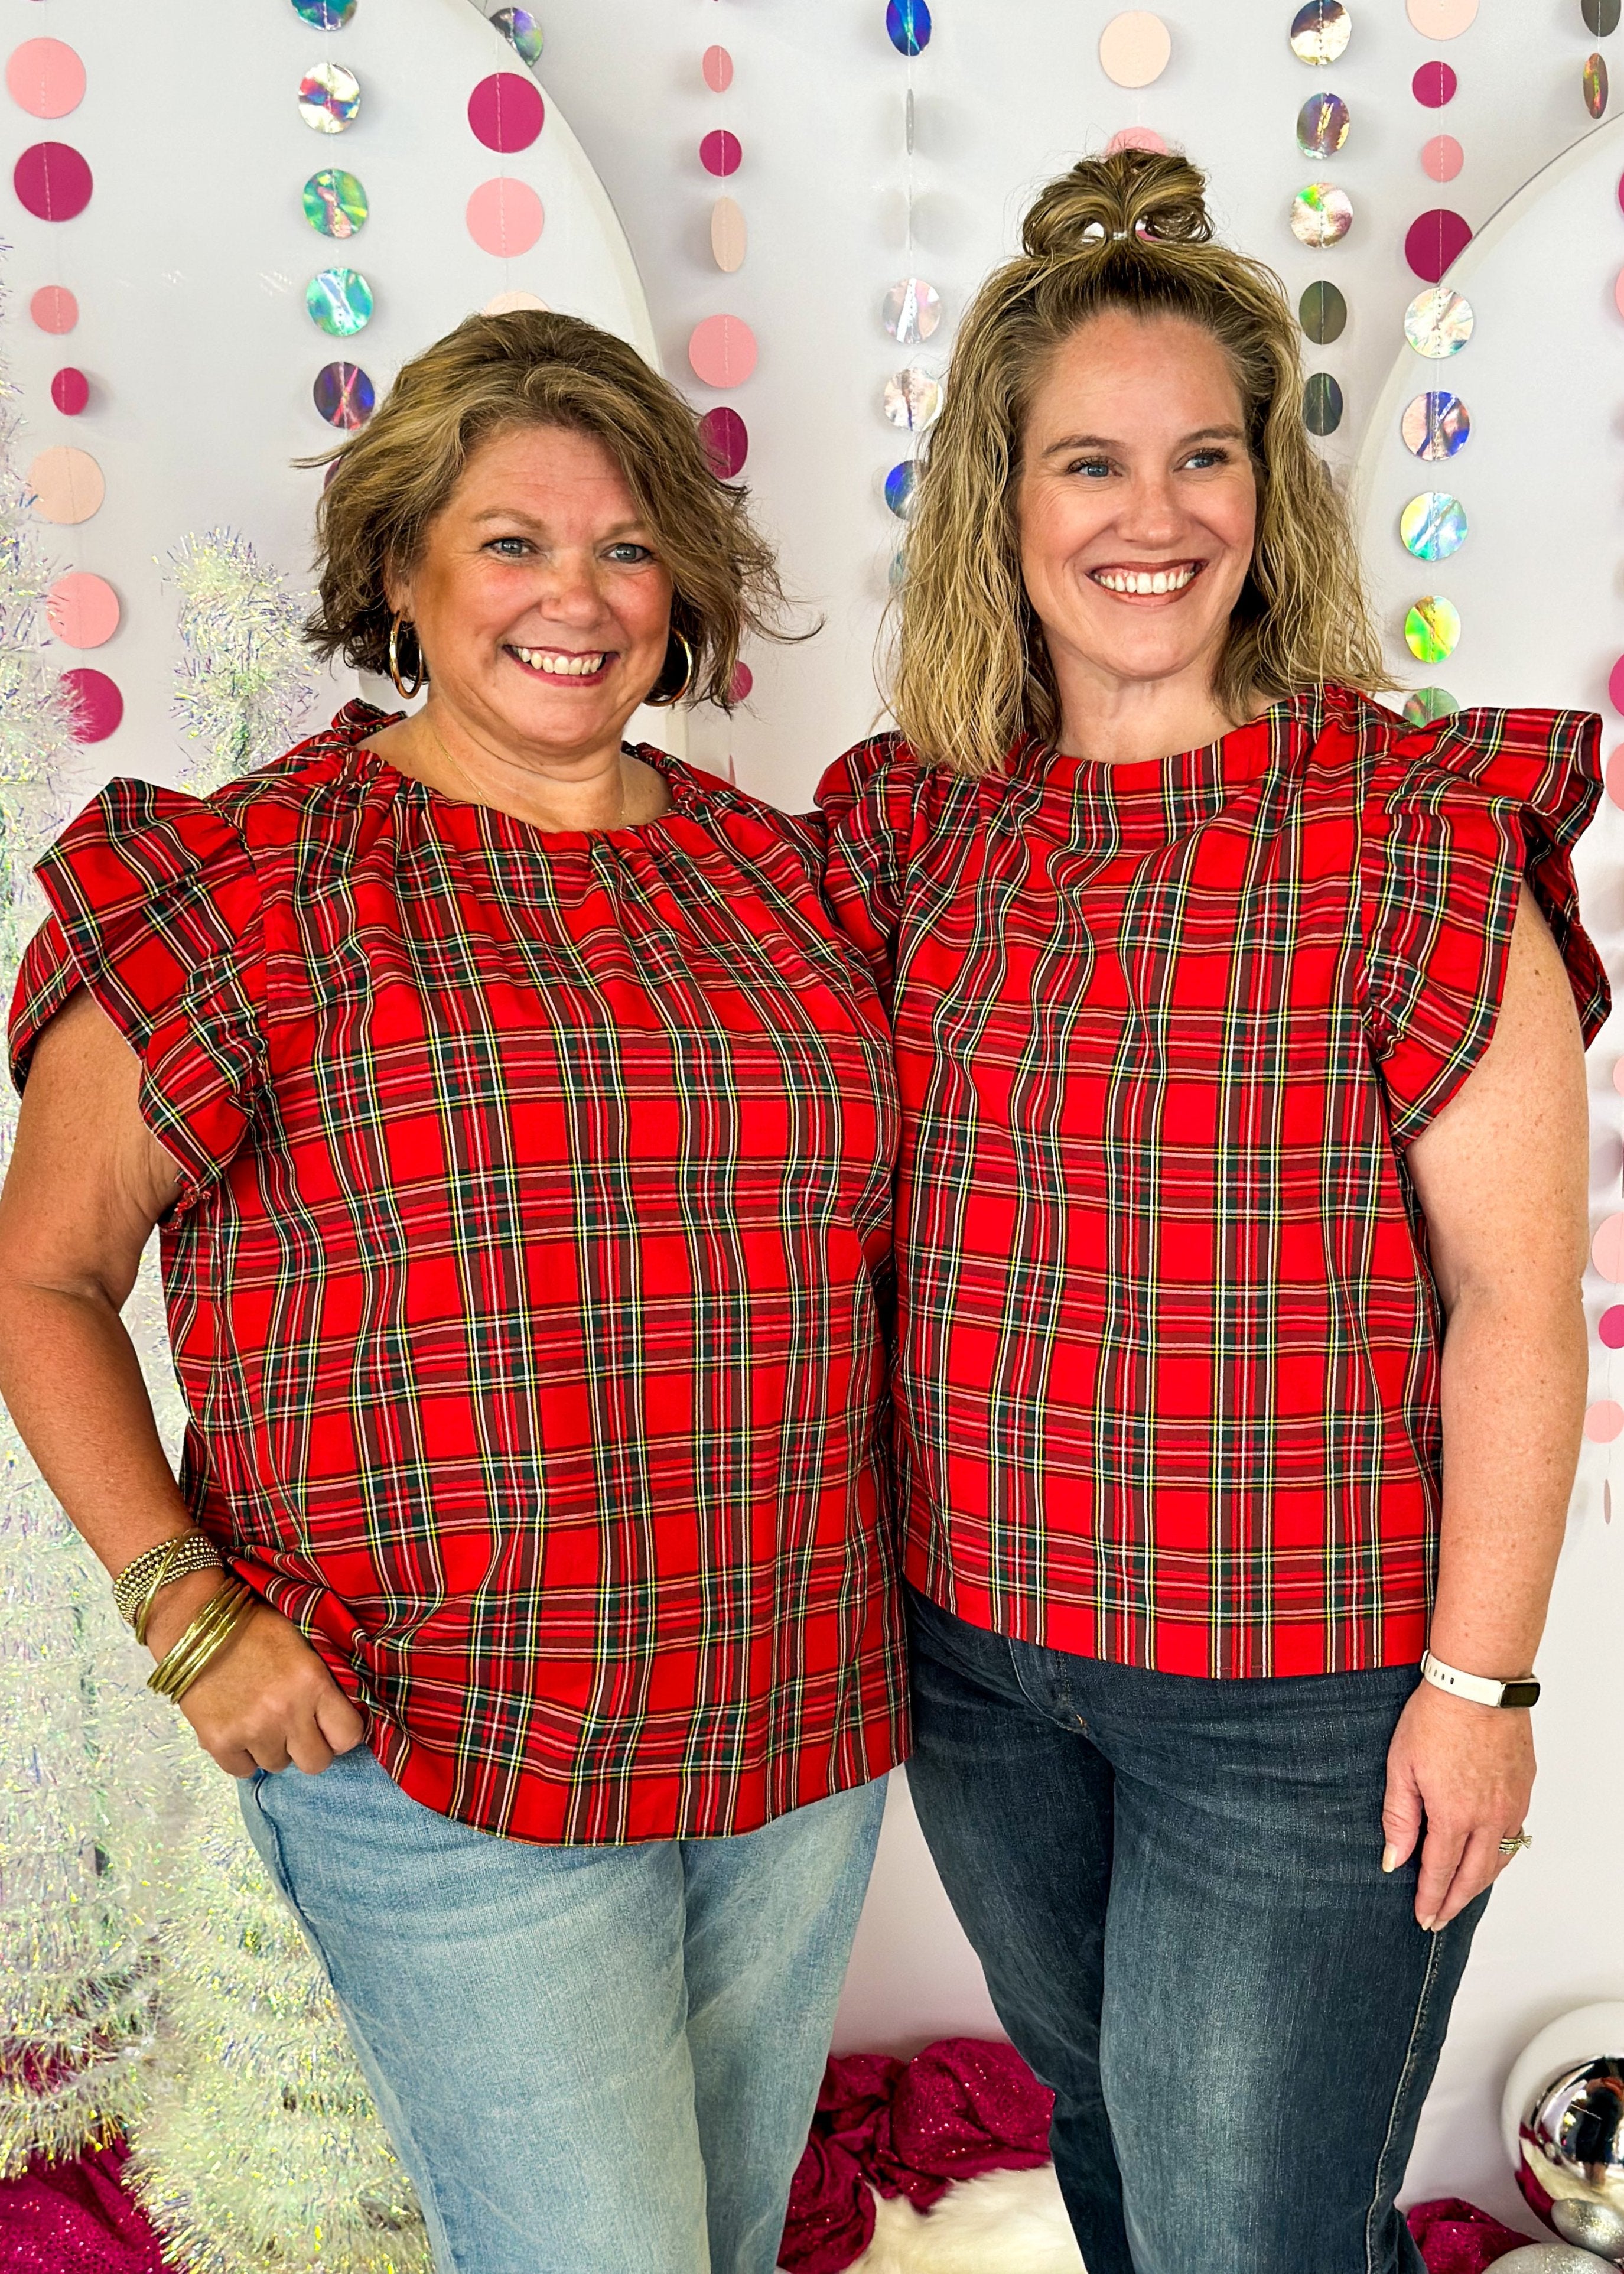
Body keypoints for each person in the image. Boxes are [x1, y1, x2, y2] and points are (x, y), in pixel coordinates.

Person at [0, 308, 906, 2274]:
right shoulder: (253, 879)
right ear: (401, 569)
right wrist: (184, 1611)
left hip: (799, 1720)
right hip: (450, 1742)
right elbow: (49, 1276)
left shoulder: (792, 881)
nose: (576, 596)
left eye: (627, 545)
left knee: (725, 2240)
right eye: (510, 541)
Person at [818, 149, 1606, 2274]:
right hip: (983, 1667)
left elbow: (1520, 1303)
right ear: (1005, 496)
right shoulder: (918, 832)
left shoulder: (1411, 832)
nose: (1148, 519)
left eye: (1201, 458)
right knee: (1112, 2150)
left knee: (1252, 2228)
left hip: (1308, 1704)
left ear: (1270, 491)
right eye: (1088, 461)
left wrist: (1485, 1682)